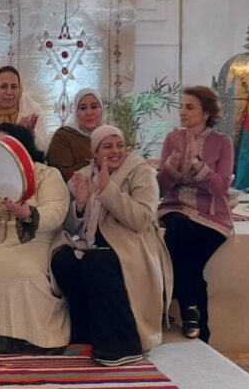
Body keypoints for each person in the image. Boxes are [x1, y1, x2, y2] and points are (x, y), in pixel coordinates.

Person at [50, 125, 173, 366]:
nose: (115, 151)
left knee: (97, 263)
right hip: (90, 244)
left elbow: (141, 220)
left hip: (132, 246)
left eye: (119, 145)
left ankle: (123, 346)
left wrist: (109, 191)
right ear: (95, 153)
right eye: (107, 147)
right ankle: (84, 337)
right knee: (63, 261)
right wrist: (80, 206)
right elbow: (69, 226)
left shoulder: (141, 173)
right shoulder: (83, 176)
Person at [0, 123, 70, 354]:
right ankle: (5, 335)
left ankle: (46, 338)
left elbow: (57, 210)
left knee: (21, 269)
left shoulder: (46, 174)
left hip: (35, 239)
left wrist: (28, 213)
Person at [157, 86, 233, 343]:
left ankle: (185, 311)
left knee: (190, 259)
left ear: (206, 113)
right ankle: (195, 317)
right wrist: (175, 162)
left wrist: (198, 165)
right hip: (175, 209)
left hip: (211, 216)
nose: (182, 112)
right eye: (181, 106)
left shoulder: (222, 143)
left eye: (189, 107)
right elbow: (160, 188)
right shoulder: (172, 139)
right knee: (179, 228)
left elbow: (221, 188)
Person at [0, 65, 49, 157]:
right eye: (3, 86)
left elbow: (44, 150)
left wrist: (31, 136)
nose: (9, 92)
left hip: (27, 163)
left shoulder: (32, 111)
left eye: (14, 87)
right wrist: (15, 133)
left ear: (20, 89)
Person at [47, 88, 104, 181]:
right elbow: (58, 175)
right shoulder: (64, 136)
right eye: (83, 108)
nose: (89, 113)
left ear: (101, 110)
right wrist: (94, 163)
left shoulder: (108, 136)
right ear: (76, 112)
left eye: (94, 107)